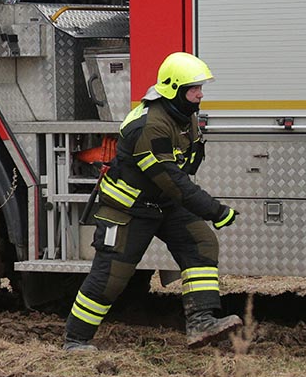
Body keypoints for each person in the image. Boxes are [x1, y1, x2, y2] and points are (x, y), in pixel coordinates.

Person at [62, 52, 241, 351]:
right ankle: (76, 340)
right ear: (173, 89)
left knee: (201, 244)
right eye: (194, 88)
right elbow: (171, 179)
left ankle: (201, 322)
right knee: (111, 277)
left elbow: (185, 167)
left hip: (164, 204)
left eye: (200, 87)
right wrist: (215, 210)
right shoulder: (150, 125)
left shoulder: (184, 115)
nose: (200, 93)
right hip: (127, 210)